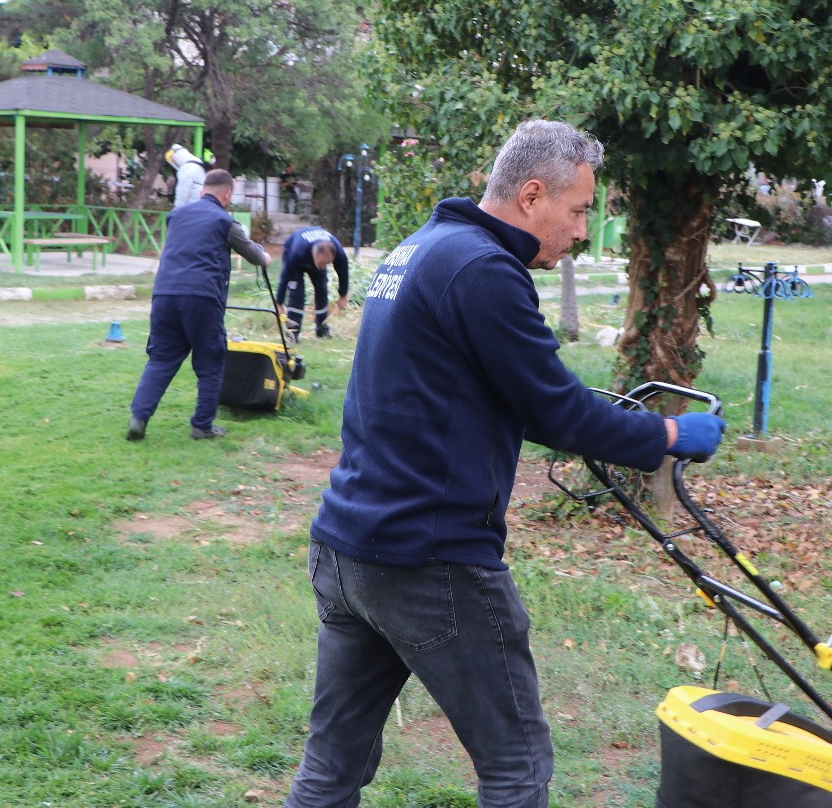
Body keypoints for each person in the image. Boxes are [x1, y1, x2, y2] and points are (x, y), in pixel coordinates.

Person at [283, 120, 725, 808]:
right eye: (578, 211)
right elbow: (558, 413)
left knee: (332, 767)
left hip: (348, 550)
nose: (582, 231)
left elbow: (494, 390)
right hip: (430, 561)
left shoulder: (422, 249)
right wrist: (666, 432)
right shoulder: (483, 268)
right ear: (530, 196)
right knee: (516, 766)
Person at [127, 169, 268, 441]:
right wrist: (265, 258)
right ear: (227, 195)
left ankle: (138, 418)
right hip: (201, 298)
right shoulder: (225, 221)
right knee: (210, 361)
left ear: (203, 191)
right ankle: (202, 426)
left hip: (164, 295)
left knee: (161, 359)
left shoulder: (176, 216)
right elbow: (254, 256)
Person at [276, 226, 349, 341]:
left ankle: (321, 329)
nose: (323, 266)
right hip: (294, 254)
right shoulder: (297, 252)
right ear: (313, 253)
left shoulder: (338, 252)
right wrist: (279, 303)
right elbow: (285, 276)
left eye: (327, 263)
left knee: (322, 290)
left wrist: (343, 295)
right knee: (297, 294)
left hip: (312, 255)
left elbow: (343, 272)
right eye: (321, 263)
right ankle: (293, 333)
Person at [166, 144, 207, 208]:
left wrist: (177, 209)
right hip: (202, 206)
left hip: (192, 208)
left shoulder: (187, 167)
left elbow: (182, 191)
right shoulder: (198, 164)